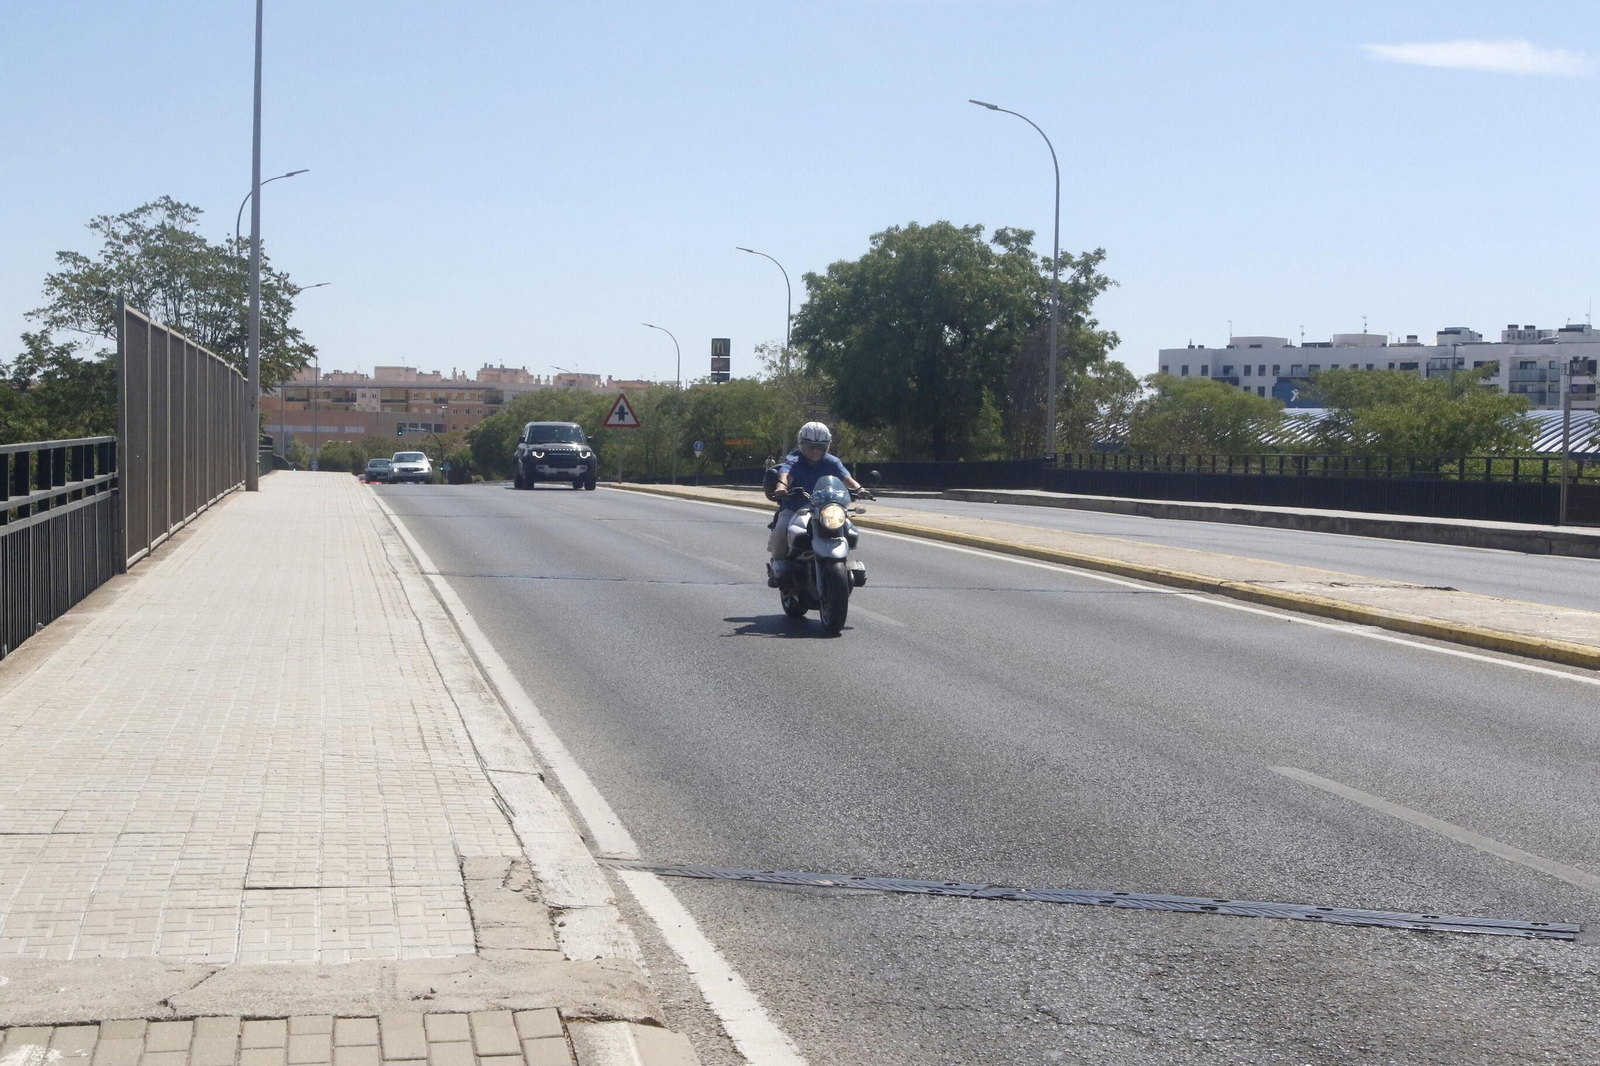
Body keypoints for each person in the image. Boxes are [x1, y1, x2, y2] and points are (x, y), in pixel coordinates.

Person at [767, 422, 871, 577]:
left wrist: (860, 489)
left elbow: (846, 478)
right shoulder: (795, 461)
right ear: (802, 445)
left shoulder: (832, 462)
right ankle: (778, 568)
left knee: (847, 525)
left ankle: (843, 562)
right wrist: (781, 488)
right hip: (795, 508)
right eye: (810, 446)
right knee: (782, 529)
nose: (815, 451)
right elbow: (785, 475)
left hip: (824, 508)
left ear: (826, 446)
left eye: (820, 446)